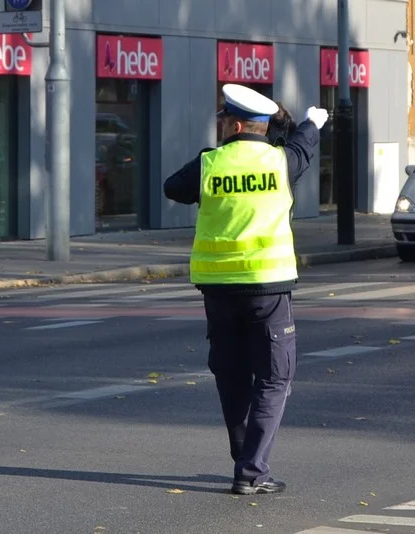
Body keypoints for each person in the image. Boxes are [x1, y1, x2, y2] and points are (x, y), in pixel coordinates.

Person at [164, 84, 328, 496]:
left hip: (218, 289)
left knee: (232, 376)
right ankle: (252, 471)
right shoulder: (279, 162)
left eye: (222, 120)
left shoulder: (209, 163)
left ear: (236, 124)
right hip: (268, 290)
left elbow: (172, 188)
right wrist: (312, 122)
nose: (219, 125)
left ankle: (244, 461)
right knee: (275, 377)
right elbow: (304, 150)